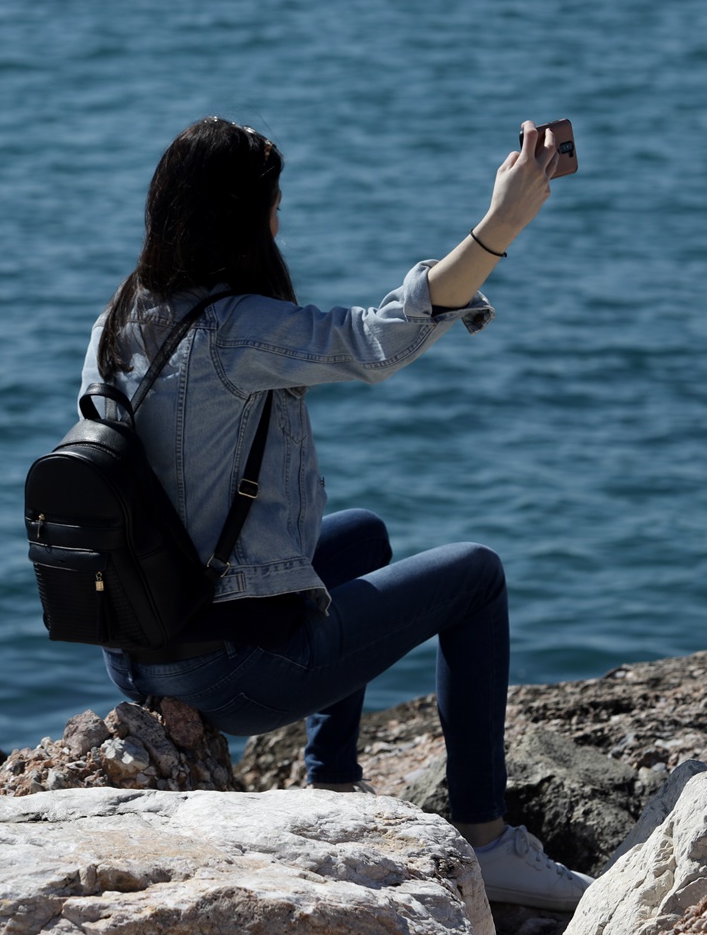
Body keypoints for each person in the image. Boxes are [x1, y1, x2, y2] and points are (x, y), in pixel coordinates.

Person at [79, 115, 594, 911]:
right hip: (229, 674)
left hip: (142, 649)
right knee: (476, 577)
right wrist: (504, 221)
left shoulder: (124, 316)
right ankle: (487, 841)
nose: (281, 217)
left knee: (362, 538)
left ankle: (333, 786)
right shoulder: (231, 330)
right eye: (273, 201)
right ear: (243, 215)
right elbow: (377, 340)